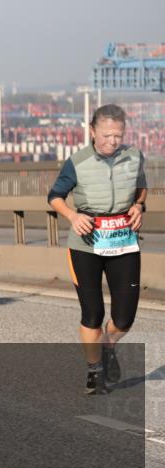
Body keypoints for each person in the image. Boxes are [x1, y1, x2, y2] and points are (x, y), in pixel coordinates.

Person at [48, 104, 147, 395]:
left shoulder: (134, 157)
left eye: (118, 135)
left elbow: (141, 187)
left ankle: (108, 344)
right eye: (106, 135)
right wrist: (73, 216)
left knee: (124, 318)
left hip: (123, 243)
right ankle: (94, 372)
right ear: (92, 131)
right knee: (92, 313)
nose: (112, 141)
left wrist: (138, 205)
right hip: (86, 245)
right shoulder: (77, 162)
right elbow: (54, 196)